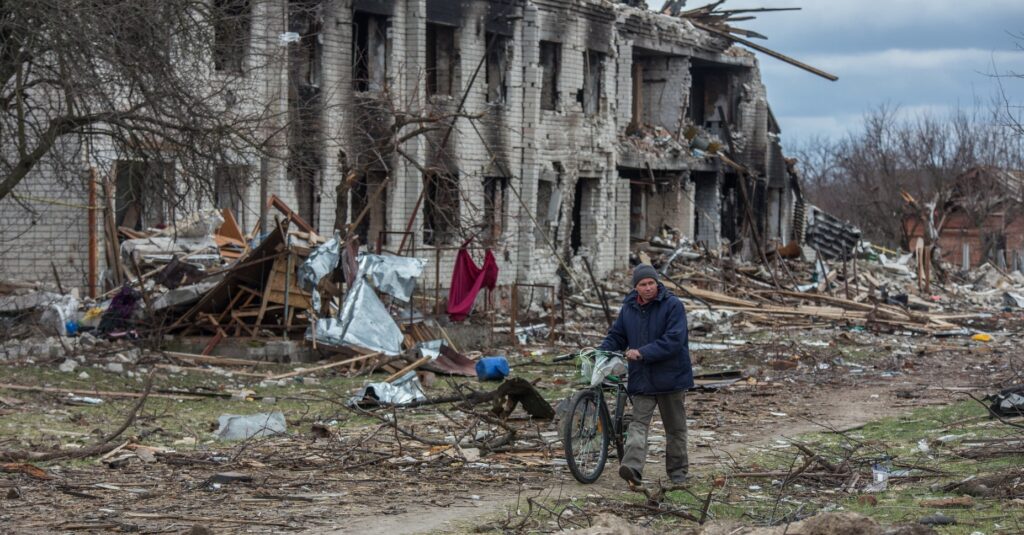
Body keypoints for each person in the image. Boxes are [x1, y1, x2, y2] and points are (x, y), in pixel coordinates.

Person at [599, 264, 692, 486]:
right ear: (636, 287)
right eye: (643, 284)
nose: (648, 287)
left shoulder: (672, 305)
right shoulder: (629, 308)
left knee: (675, 429)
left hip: (671, 378)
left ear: (657, 283)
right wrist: (601, 351)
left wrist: (642, 352)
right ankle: (632, 469)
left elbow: (674, 339)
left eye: (651, 283)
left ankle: (678, 473)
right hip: (642, 377)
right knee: (637, 425)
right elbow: (618, 335)